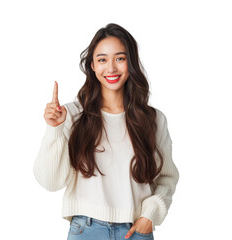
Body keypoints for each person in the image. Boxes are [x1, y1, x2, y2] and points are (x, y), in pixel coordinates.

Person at [33, 23, 179, 240]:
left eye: (119, 58)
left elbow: (167, 178)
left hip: (136, 231)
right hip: (87, 229)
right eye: (102, 59)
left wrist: (150, 214)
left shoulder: (153, 119)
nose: (111, 68)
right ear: (92, 65)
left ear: (131, 62)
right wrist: (54, 130)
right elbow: (50, 182)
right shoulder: (72, 114)